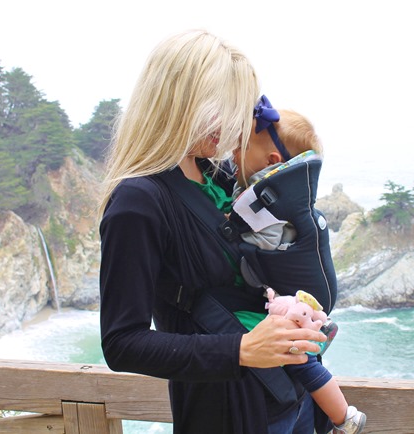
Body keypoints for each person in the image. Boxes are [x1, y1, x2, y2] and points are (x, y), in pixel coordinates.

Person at [98, 30, 329, 434]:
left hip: (294, 396)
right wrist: (242, 349)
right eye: (225, 109)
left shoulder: (218, 175)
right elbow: (122, 343)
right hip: (229, 413)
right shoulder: (139, 201)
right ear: (182, 103)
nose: (236, 126)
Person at [229, 101, 367, 434]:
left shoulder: (269, 209)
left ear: (271, 161)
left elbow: (258, 241)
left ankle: (344, 418)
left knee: (303, 364)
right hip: (292, 300)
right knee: (304, 361)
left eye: (240, 147)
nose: (231, 153)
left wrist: (229, 227)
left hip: (287, 307)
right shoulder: (278, 196)